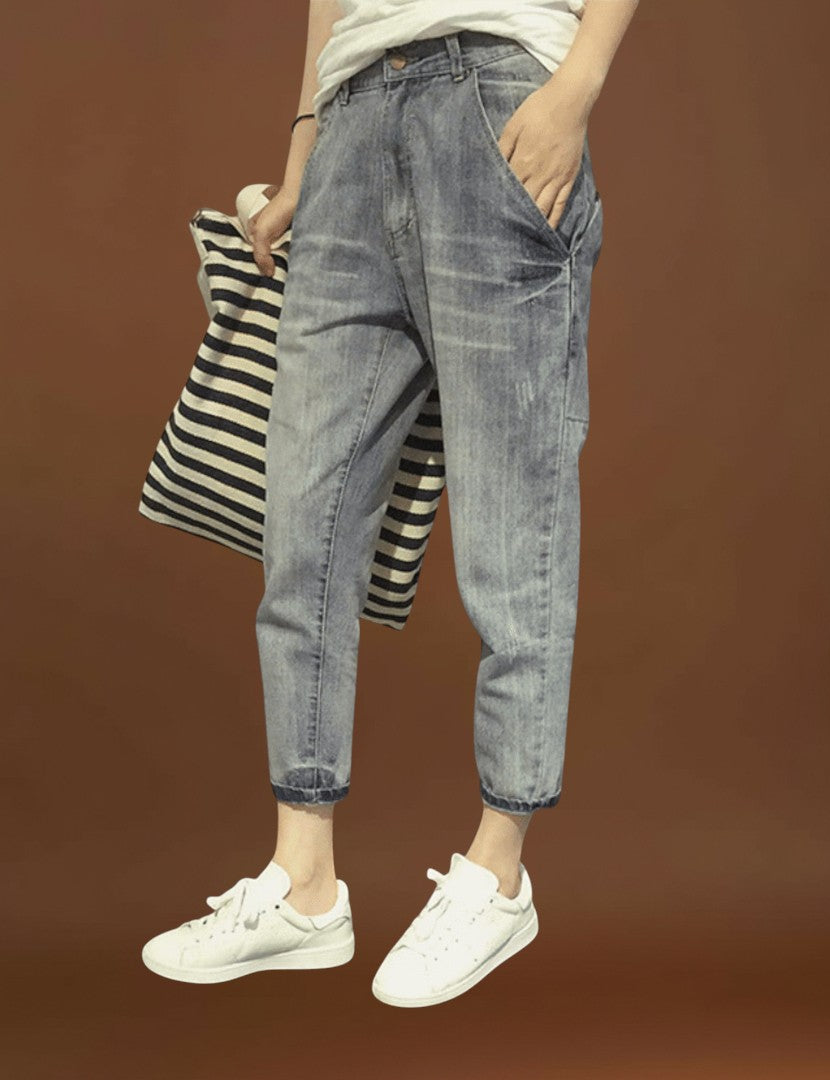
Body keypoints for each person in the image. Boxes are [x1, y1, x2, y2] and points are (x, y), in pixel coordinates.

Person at [142, 0, 638, 1005]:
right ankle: (304, 886)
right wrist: (305, 151)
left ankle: (500, 871)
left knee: (513, 527)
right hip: (352, 121)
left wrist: (575, 89)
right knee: (304, 533)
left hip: (496, 99)